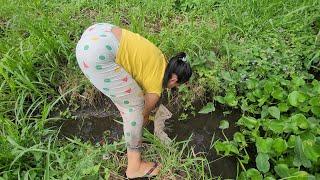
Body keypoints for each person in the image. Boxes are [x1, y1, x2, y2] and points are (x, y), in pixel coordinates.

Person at [75, 23, 192, 178]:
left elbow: (137, 76)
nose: (173, 88)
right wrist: (144, 120)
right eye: (176, 85)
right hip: (96, 55)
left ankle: (128, 124)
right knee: (134, 109)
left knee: (129, 98)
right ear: (174, 79)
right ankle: (134, 167)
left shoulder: (160, 58)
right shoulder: (155, 89)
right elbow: (142, 114)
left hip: (97, 33)